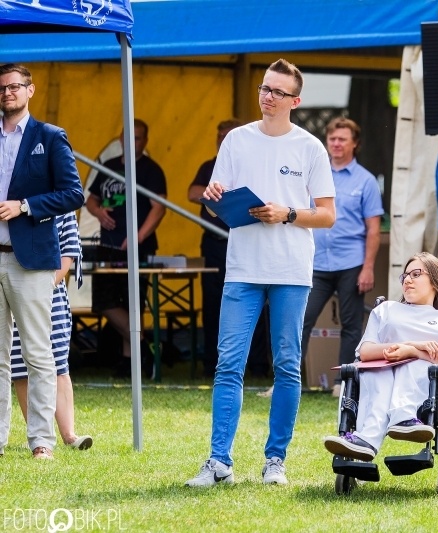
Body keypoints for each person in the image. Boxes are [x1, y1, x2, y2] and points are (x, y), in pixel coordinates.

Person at [185, 58, 335, 488]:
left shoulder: (309, 147)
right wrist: (214, 195)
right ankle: (219, 462)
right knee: (228, 365)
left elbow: (326, 215)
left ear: (295, 100)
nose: (267, 97)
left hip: (290, 268)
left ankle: (276, 460)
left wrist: (286, 213)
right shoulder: (236, 139)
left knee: (287, 365)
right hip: (243, 267)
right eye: (264, 89)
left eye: (277, 92)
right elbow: (219, 198)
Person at [0, 63, 85, 460]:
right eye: (2, 88)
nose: (7, 93)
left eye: (15, 87)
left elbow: (73, 194)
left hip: (31, 259)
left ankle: (41, 442)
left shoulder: (49, 137)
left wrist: (25, 206)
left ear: (30, 90)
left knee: (38, 354)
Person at [322, 252, 438, 460]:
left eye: (416, 274)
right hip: (381, 368)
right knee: (378, 372)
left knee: (414, 365)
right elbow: (366, 352)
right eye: (405, 276)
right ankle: (366, 439)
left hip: (430, 375)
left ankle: (404, 418)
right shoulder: (386, 310)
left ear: (436, 281)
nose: (408, 280)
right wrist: (407, 345)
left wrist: (414, 352)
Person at [299, 117, 383, 399]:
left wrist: (367, 268)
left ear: (354, 144)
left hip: (351, 263)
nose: (336, 144)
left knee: (350, 325)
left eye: (342, 139)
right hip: (316, 262)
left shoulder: (366, 181)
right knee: (300, 319)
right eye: (332, 139)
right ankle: (288, 383)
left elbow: (373, 230)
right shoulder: (314, 175)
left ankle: (343, 383)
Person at [187, 119, 271, 379]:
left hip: (248, 240)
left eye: (229, 136)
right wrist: (218, 191)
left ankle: (257, 365)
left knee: (256, 301)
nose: (223, 140)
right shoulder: (209, 166)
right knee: (213, 304)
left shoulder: (252, 161)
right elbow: (193, 192)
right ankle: (211, 361)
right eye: (220, 136)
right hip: (215, 243)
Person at [85, 118, 167, 378]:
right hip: (108, 245)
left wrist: (138, 236)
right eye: (128, 137)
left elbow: (159, 207)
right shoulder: (108, 166)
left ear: (145, 141)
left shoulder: (151, 170)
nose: (132, 142)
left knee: (132, 303)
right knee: (104, 302)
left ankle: (130, 360)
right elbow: (90, 200)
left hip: (138, 249)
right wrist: (98, 213)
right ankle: (144, 345)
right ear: (121, 139)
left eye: (138, 137)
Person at [9, 212, 92, 450]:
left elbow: (68, 251)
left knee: (57, 363)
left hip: (49, 293)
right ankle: (36, 437)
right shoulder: (12, 201)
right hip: (13, 288)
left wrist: (45, 287)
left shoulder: (62, 205)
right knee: (20, 365)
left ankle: (69, 435)